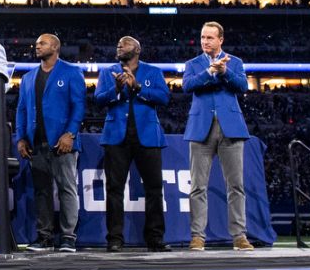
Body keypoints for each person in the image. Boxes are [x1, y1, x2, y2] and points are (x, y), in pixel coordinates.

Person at [94, 36, 170, 252]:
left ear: (137, 49)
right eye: (118, 44)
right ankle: (115, 239)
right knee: (115, 189)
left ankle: (155, 239)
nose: (119, 46)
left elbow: (164, 98)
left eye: (124, 44)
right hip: (116, 137)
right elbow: (99, 100)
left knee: (154, 189)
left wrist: (137, 88)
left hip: (147, 136)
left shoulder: (153, 72)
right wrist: (117, 90)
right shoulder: (107, 72)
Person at [183, 21, 254, 251]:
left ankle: (239, 236)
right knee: (197, 186)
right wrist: (209, 72)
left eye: (210, 38)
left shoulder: (235, 62)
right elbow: (187, 85)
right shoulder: (193, 64)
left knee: (236, 185)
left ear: (220, 40)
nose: (205, 42)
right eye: (203, 37)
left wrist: (224, 72)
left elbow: (242, 86)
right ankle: (197, 236)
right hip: (200, 128)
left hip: (230, 128)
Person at [16, 34, 85, 252]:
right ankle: (44, 237)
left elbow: (79, 106)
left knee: (67, 189)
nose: (37, 46)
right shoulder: (28, 78)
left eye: (42, 43)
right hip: (36, 142)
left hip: (62, 143)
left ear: (55, 46)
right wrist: (21, 137)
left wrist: (70, 134)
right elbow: (21, 110)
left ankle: (68, 237)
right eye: (36, 43)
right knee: (41, 191)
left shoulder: (71, 72)